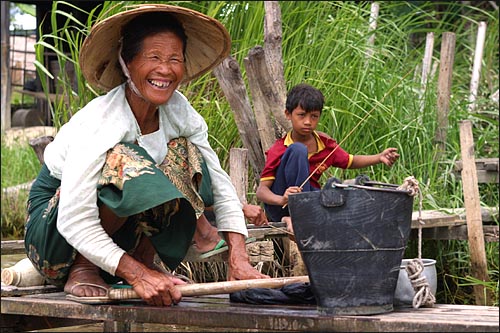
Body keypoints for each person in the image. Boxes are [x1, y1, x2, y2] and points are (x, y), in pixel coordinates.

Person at [24, 4, 268, 307]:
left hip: (117, 241)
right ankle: (85, 268)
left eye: (174, 59)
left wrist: (239, 259)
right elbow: (73, 219)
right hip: (55, 241)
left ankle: (141, 260)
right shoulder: (102, 121)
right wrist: (137, 276)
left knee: (190, 158)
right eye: (153, 58)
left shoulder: (180, 113)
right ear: (127, 63)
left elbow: (219, 184)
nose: (165, 70)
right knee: (124, 161)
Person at [256, 83, 400, 233]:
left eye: (314, 116)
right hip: (280, 207)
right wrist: (282, 199)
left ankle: (305, 215)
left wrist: (379, 157)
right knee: (298, 150)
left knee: (332, 188)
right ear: (288, 114)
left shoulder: (325, 145)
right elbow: (262, 191)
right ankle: (292, 217)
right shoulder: (279, 149)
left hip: (308, 202)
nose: (307, 121)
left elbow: (350, 161)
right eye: (301, 115)